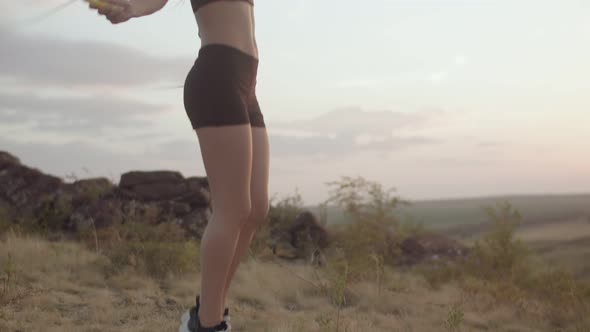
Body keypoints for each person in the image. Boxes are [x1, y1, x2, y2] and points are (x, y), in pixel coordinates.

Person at [89, 0, 270, 331]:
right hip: (217, 78)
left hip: (247, 85)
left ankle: (207, 311)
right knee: (233, 209)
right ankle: (207, 324)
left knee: (256, 208)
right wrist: (130, 7)